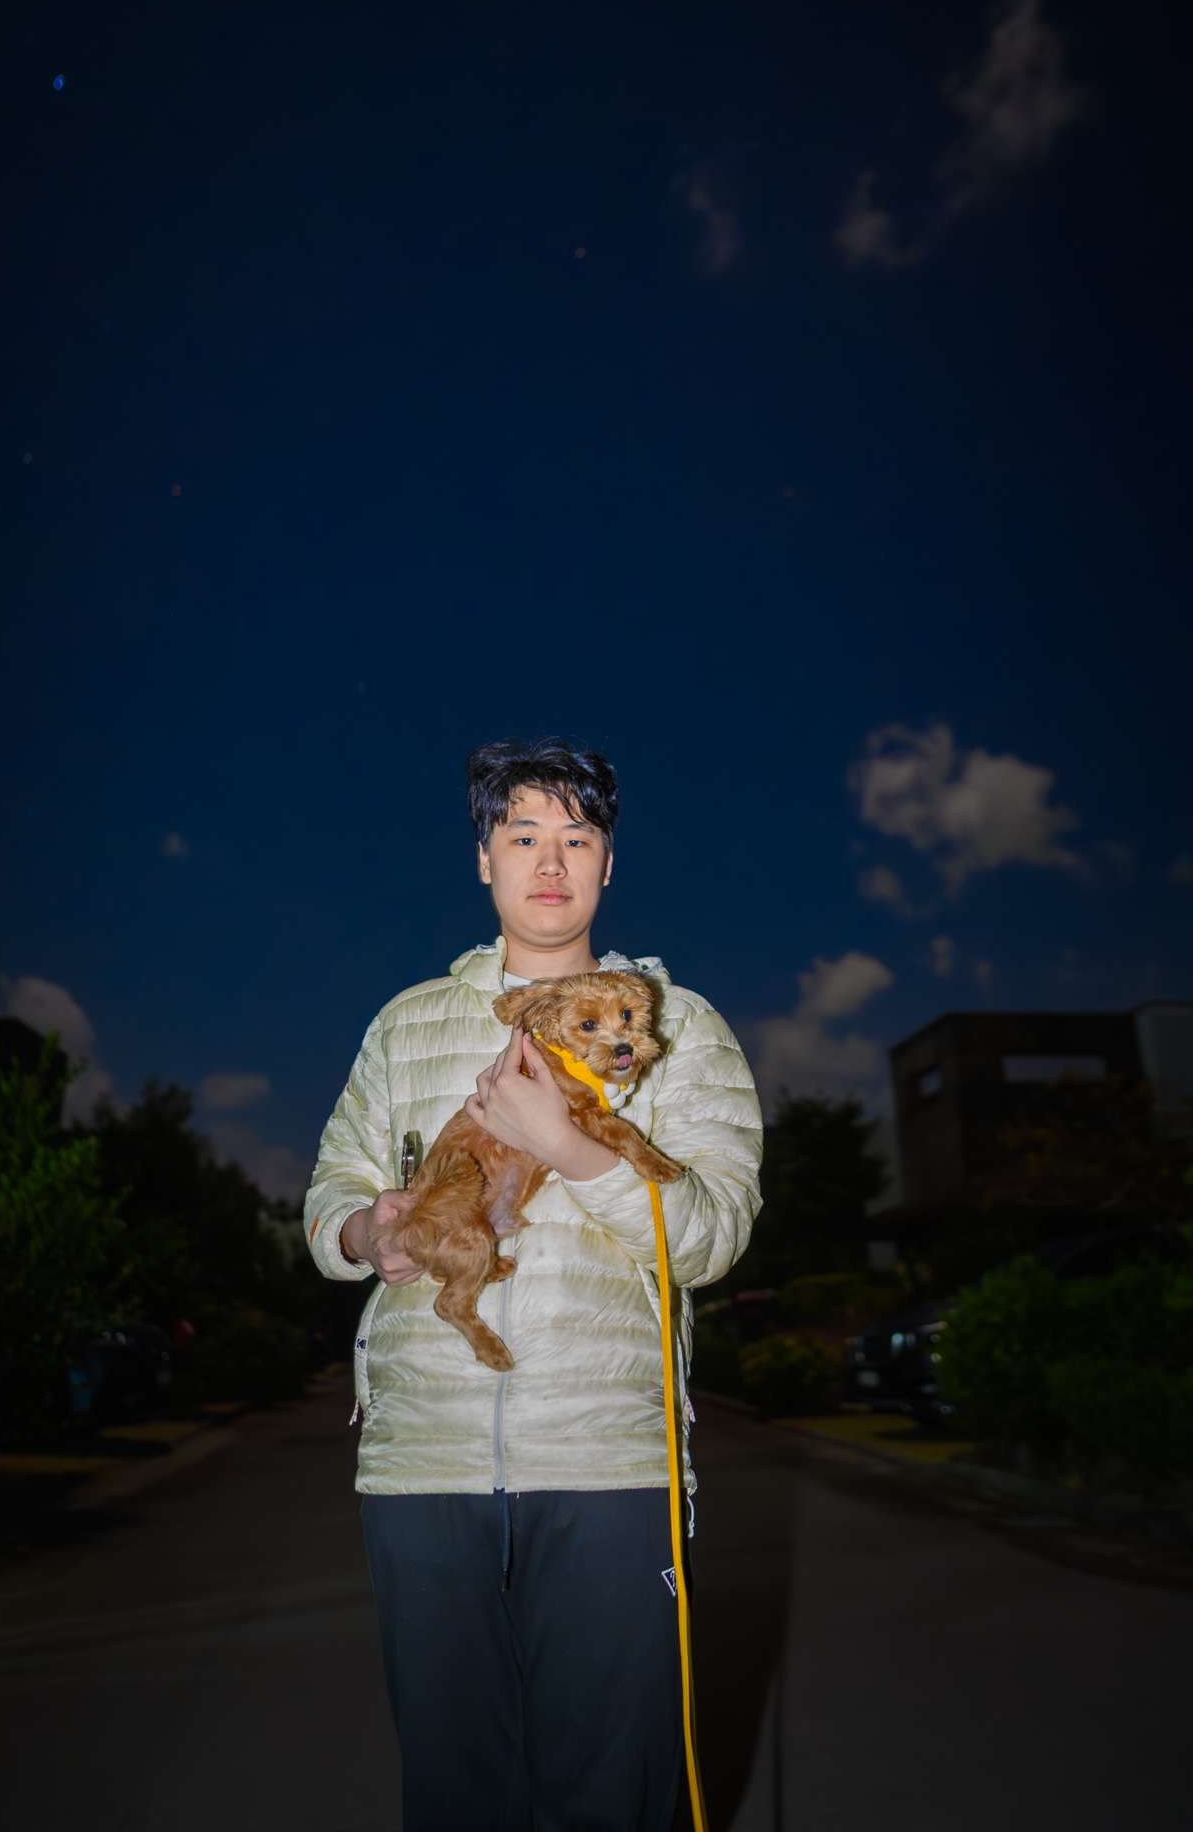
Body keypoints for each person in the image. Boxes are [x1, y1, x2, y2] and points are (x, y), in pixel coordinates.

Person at [304, 737, 762, 1832]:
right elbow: (329, 1192)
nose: (548, 861)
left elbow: (712, 1235)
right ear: (482, 859)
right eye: (521, 836)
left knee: (608, 1791)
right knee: (455, 1791)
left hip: (610, 1465)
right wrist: (366, 1231)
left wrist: (570, 1147)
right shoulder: (407, 1021)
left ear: (607, 862)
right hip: (422, 1470)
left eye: (576, 837)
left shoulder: (680, 1026)